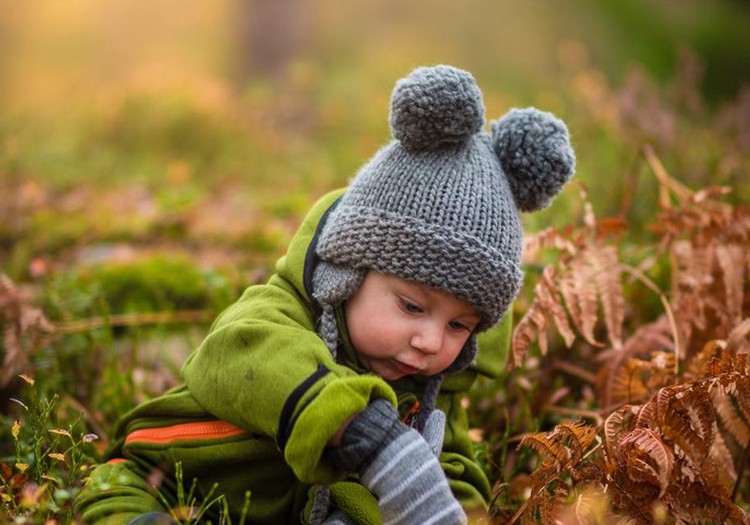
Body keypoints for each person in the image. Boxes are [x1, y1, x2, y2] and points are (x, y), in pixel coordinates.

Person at [76, 64, 575, 525]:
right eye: (411, 306)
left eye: (458, 325)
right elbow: (236, 353)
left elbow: (453, 475)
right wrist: (365, 434)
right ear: (347, 273)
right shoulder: (277, 315)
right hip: (159, 481)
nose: (429, 341)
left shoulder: (430, 391)